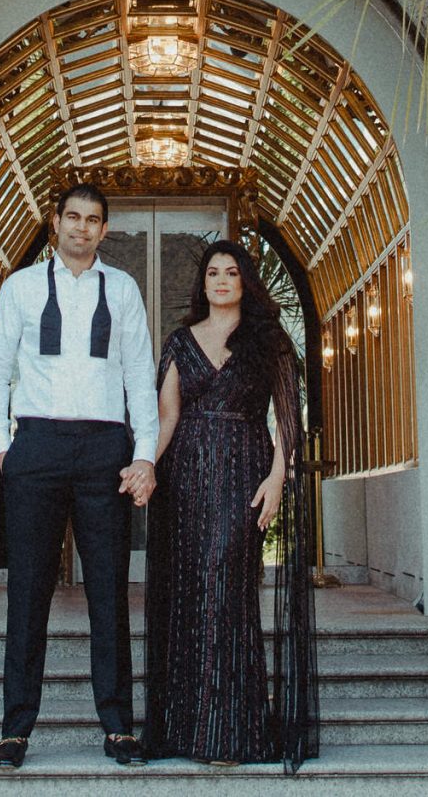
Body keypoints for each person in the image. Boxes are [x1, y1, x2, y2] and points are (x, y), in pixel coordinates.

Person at [0, 182, 158, 771]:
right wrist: (6, 446)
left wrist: (145, 454)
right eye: (73, 217)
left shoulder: (123, 290)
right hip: (38, 445)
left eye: (93, 220)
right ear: (55, 222)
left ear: (105, 230)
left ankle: (118, 728)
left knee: (109, 593)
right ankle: (15, 730)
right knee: (28, 592)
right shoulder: (21, 287)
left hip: (105, 446)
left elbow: (139, 376)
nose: (82, 228)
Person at [143, 239, 301, 765]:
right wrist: (145, 465)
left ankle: (233, 730)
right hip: (185, 478)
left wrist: (279, 477)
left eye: (232, 272)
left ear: (244, 282)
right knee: (191, 596)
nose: (221, 280)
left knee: (226, 588)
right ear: (203, 282)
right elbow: (167, 418)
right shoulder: (180, 342)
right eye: (213, 272)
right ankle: (190, 729)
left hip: (243, 472)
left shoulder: (269, 341)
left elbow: (287, 419)